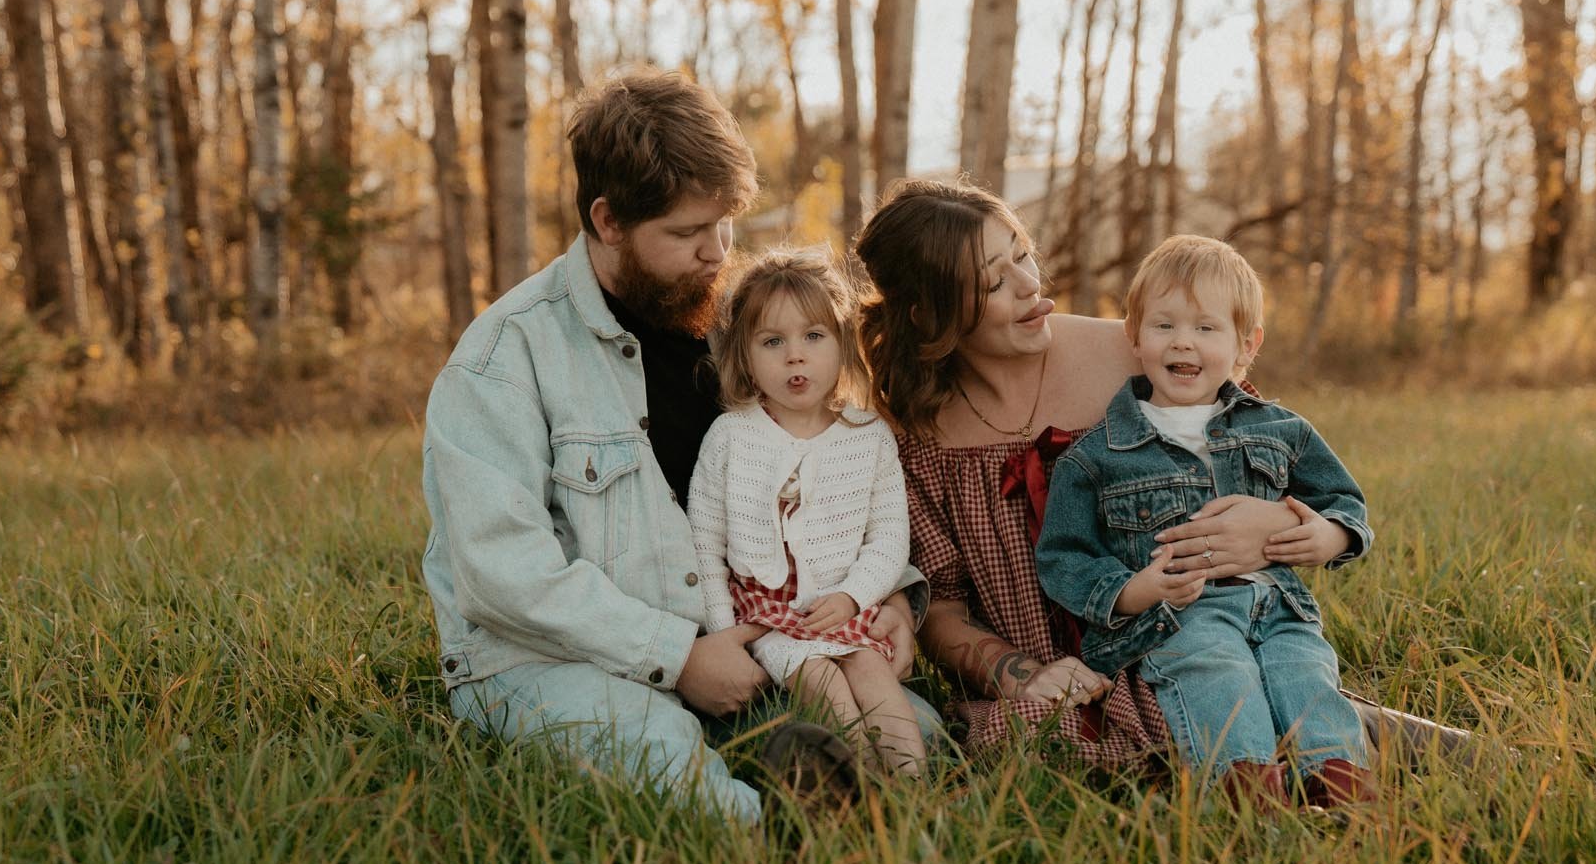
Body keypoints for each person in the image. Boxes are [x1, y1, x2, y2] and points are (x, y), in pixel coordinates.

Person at [420, 71, 923, 823]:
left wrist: (891, 601)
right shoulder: (502, 359)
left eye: (724, 223)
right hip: (559, 657)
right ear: (608, 219)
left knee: (921, 737)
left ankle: (826, 792)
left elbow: (829, 464)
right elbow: (503, 576)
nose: (716, 252)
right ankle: (774, 849)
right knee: (671, 771)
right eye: (688, 233)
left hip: (749, 638)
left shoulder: (742, 330)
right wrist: (678, 656)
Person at [855, 177, 1468, 776]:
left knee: (1266, 690)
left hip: (1188, 635)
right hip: (1068, 684)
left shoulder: (1135, 353)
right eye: (994, 280)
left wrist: (1275, 524)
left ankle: (1461, 758)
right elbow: (942, 602)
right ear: (930, 315)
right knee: (1031, 742)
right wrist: (1022, 674)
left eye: (1022, 255)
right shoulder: (910, 432)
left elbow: (1261, 445)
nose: (1028, 285)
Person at [1033, 235, 1375, 808]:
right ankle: (1249, 798)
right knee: (1219, 674)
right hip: (1181, 617)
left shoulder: (1281, 430)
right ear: (1134, 337)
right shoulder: (1097, 455)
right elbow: (1063, 556)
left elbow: (1343, 500)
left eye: (1206, 329)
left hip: (1281, 607)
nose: (1183, 342)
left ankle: (1340, 791)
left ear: (1247, 344)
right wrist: (1133, 591)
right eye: (1164, 326)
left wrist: (1328, 534)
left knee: (1306, 677)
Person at [687, 249, 927, 776]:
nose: (795, 357)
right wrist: (724, 637)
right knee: (826, 688)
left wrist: (852, 596)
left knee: (876, 680)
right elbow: (705, 544)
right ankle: (861, 792)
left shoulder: (867, 437)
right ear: (745, 356)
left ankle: (916, 795)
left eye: (813, 337)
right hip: (769, 620)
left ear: (841, 344)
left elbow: (888, 538)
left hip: (843, 609)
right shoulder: (730, 437)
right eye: (773, 342)